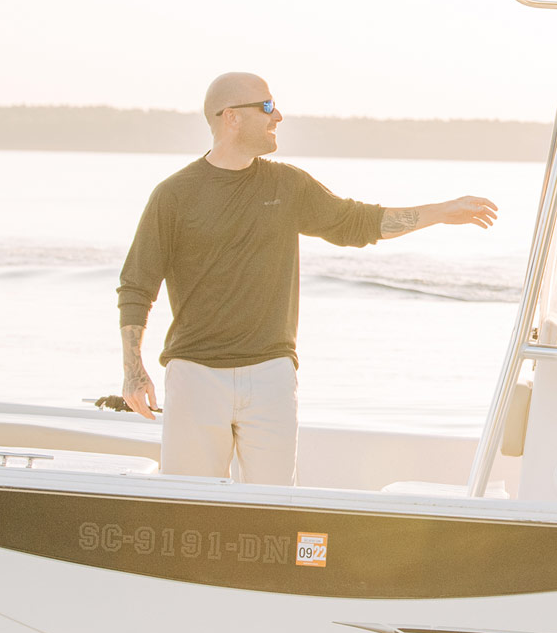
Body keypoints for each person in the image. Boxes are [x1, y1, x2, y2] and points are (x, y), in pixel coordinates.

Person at [118, 72, 496, 485]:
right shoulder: (174, 195)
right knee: (189, 504)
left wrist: (441, 212)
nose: (277, 115)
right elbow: (137, 285)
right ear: (231, 117)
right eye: (266, 107)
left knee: (275, 508)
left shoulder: (287, 184)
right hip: (195, 376)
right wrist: (134, 370)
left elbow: (358, 223)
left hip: (271, 375)